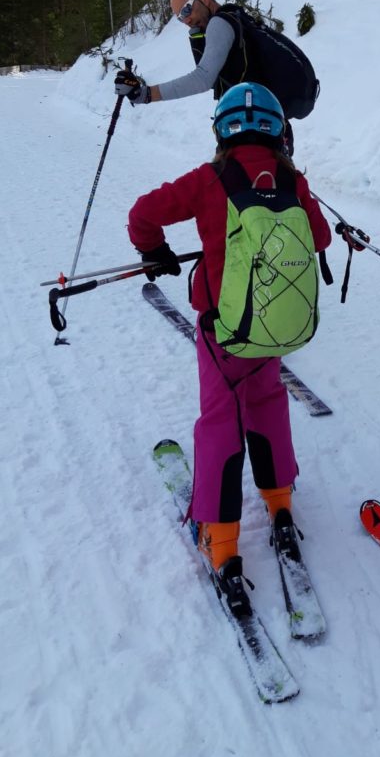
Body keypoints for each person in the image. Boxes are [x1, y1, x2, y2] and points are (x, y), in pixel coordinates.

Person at [127, 82, 331, 613]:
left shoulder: (210, 177)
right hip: (274, 327)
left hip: (224, 331)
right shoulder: (291, 177)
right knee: (267, 405)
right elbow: (321, 238)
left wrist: (156, 253)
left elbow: (143, 214)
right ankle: (280, 504)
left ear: (221, 130)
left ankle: (219, 538)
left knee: (220, 420)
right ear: (279, 131)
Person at [113, 0, 320, 155]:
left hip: (251, 130)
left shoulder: (220, 23)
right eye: (179, 17)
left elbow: (203, 77)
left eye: (186, 9)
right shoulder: (235, 18)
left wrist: (147, 94)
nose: (186, 20)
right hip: (267, 124)